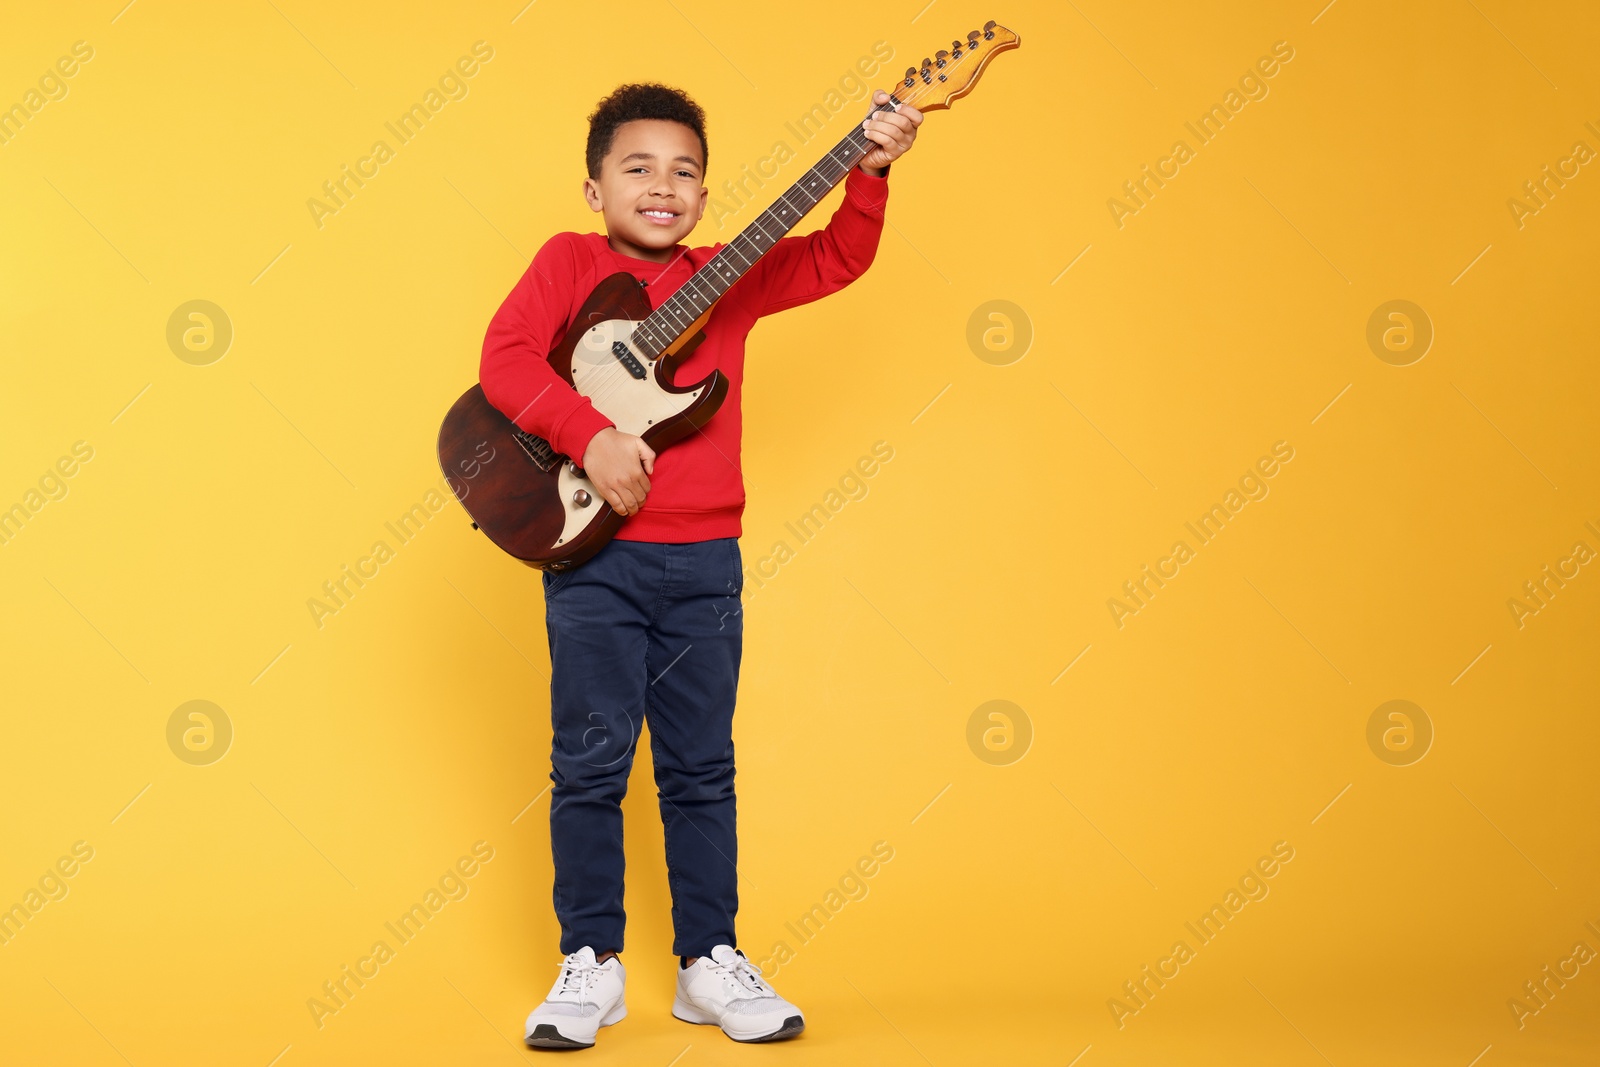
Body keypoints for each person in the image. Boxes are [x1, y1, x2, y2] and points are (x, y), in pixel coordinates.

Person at [478, 80, 920, 1050]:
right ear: (594, 188)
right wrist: (587, 435)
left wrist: (873, 170)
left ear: (707, 196)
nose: (662, 185)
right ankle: (589, 961)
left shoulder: (731, 271)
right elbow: (505, 360)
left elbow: (841, 255)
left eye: (684, 171)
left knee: (700, 768)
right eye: (636, 167)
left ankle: (705, 961)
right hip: (593, 558)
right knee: (588, 765)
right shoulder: (567, 263)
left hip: (705, 564)